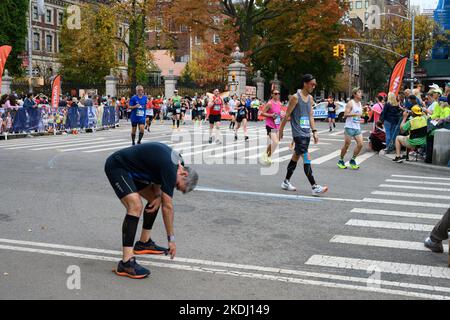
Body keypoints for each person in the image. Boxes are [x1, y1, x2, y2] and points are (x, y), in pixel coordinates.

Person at [104, 142, 199, 279]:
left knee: (156, 199)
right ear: (183, 173)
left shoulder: (177, 162)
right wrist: (171, 240)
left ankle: (143, 243)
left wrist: (159, 195)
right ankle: (126, 262)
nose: (174, 187)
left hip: (133, 170)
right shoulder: (172, 166)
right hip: (117, 167)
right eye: (177, 185)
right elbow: (168, 207)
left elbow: (158, 178)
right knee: (135, 206)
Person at [279, 74, 328, 196]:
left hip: (306, 133)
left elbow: (310, 115)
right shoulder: (295, 98)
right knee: (306, 157)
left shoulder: (310, 98)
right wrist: (281, 130)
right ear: (305, 84)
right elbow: (287, 115)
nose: (314, 86)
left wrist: (315, 131)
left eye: (315, 84)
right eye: (312, 84)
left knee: (296, 156)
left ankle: (286, 181)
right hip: (298, 133)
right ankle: (314, 186)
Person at [337, 87, 364, 170]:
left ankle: (352, 160)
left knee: (360, 144)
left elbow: (359, 115)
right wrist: (353, 115)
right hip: (349, 127)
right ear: (354, 94)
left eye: (361, 92)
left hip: (357, 127)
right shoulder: (350, 103)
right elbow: (345, 114)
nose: (361, 94)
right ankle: (341, 160)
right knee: (347, 145)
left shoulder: (360, 103)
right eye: (359, 92)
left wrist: (360, 119)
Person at [260, 89, 282, 165]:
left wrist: (281, 116)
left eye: (278, 93)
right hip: (270, 125)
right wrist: (271, 115)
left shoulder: (279, 103)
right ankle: (268, 157)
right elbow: (262, 113)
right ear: (272, 94)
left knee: (275, 142)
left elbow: (278, 114)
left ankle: (265, 154)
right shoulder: (269, 103)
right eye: (275, 93)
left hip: (277, 125)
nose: (277, 95)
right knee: (275, 142)